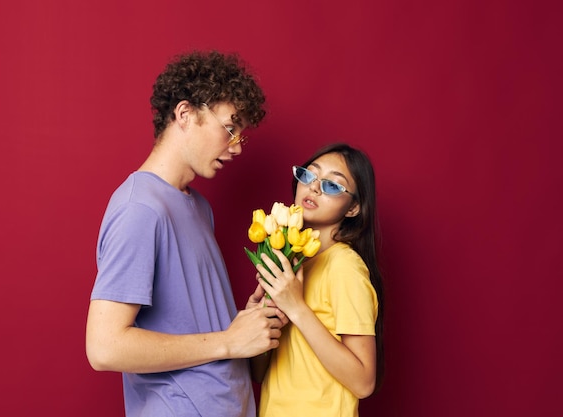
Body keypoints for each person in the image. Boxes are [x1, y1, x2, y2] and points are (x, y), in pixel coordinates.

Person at [85, 50, 288, 417]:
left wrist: (243, 320)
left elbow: (188, 317)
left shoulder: (197, 206)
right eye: (231, 127)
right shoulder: (140, 209)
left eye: (242, 134)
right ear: (184, 114)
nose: (238, 145)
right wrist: (227, 341)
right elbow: (104, 347)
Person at [251, 143, 385, 417]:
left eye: (333, 186)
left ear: (353, 208)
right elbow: (258, 372)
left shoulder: (345, 267)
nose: (314, 188)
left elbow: (364, 382)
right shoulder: (293, 263)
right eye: (308, 176)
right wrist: (261, 315)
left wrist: (297, 308)